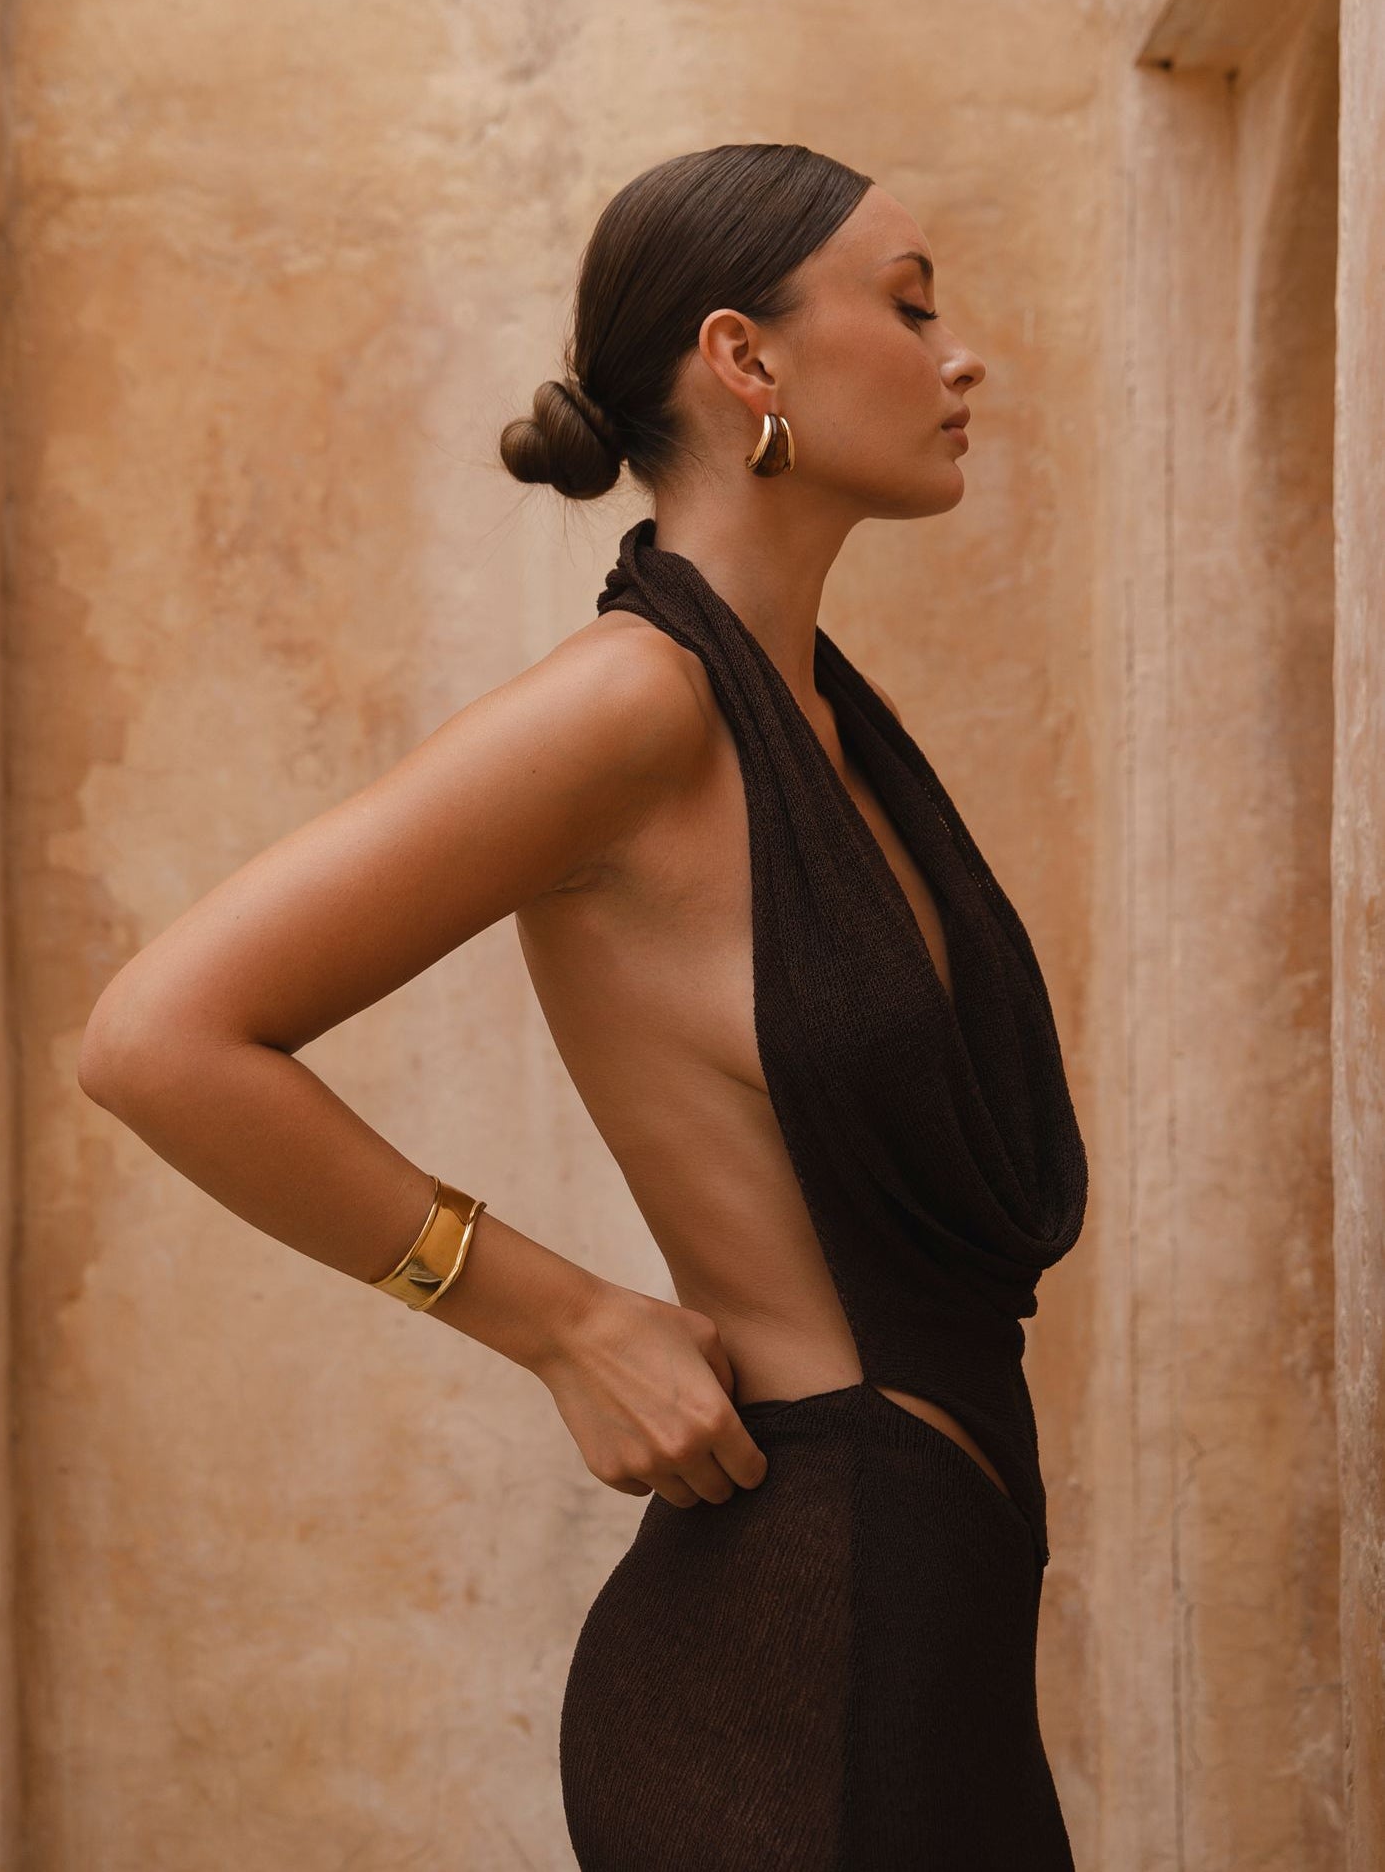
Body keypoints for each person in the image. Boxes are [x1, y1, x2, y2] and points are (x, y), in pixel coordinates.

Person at [77, 141, 1090, 1870]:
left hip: (929, 1615)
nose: (960, 353)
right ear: (745, 359)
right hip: (801, 1640)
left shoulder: (821, 719)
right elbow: (158, 1037)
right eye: (911, 306)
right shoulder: (635, 706)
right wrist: (551, 1316)